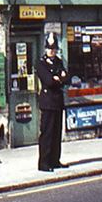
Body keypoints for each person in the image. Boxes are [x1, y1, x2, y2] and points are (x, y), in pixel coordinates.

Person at [35, 39, 69, 172]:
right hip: (47, 102)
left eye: (54, 49)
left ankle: (55, 160)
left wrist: (59, 78)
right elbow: (48, 81)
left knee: (56, 133)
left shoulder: (59, 61)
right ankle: (44, 163)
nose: (52, 51)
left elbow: (67, 78)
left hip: (58, 102)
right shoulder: (41, 63)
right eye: (50, 49)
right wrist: (58, 77)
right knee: (47, 133)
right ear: (45, 49)